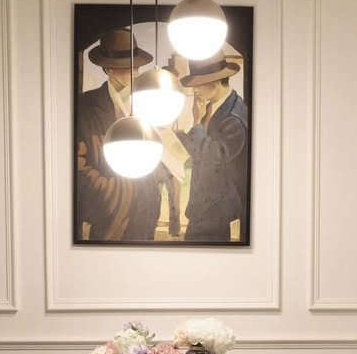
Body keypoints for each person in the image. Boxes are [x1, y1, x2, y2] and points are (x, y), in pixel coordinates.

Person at [76, 28, 163, 242]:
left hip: (145, 215)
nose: (135, 72)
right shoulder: (85, 106)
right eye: (127, 67)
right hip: (110, 220)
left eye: (137, 66)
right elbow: (78, 169)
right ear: (108, 69)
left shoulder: (148, 104)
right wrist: (120, 191)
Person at [176, 54, 249, 243]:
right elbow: (200, 147)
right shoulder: (214, 107)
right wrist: (178, 137)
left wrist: (196, 123)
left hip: (216, 208)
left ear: (215, 83)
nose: (195, 90)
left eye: (198, 85)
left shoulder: (235, 117)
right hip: (204, 205)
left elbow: (211, 156)